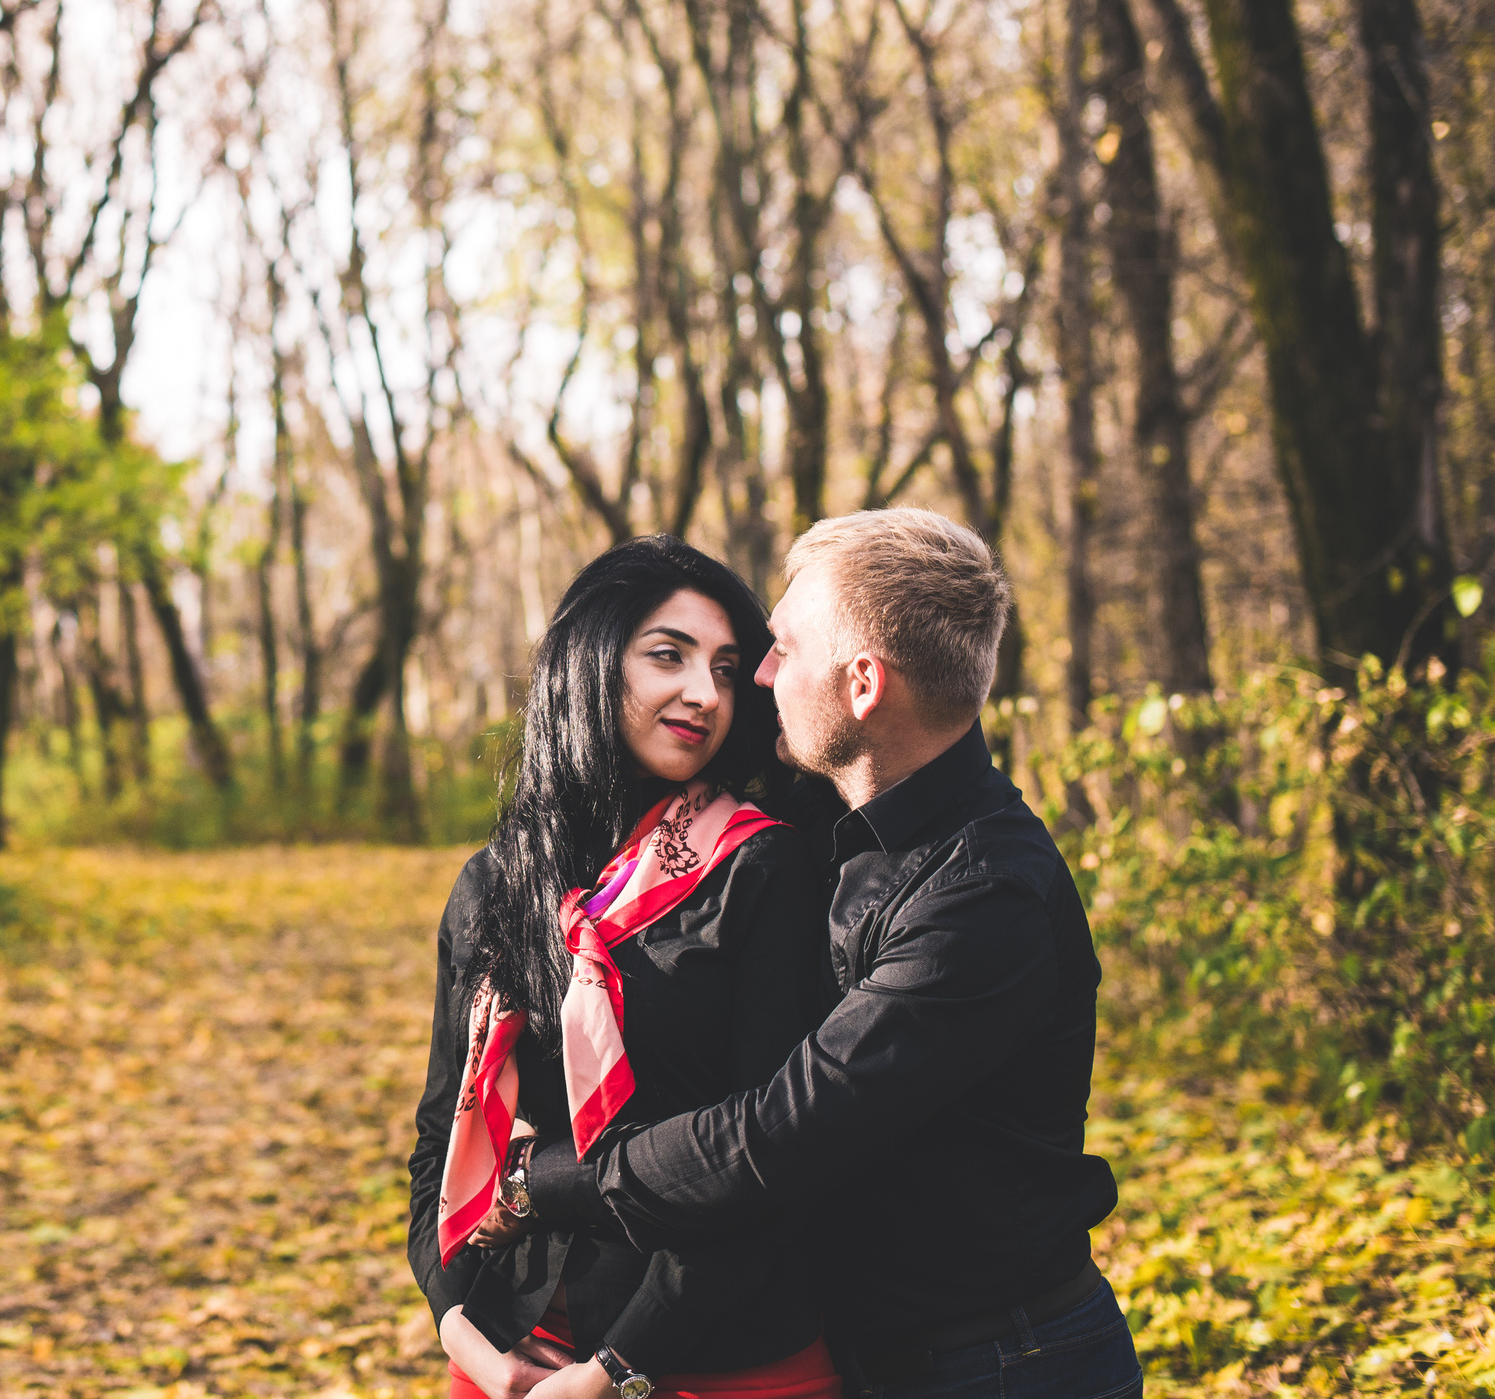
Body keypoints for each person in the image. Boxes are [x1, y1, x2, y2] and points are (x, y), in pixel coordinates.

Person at [517, 510, 1141, 1399]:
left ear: (862, 685)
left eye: (781, 649)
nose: (762, 677)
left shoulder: (984, 895)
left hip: (999, 1364)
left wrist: (550, 1182)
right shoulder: (838, 834)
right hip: (880, 1354)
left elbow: (776, 1135)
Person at [409, 536, 844, 1399]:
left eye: (726, 668)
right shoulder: (498, 883)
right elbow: (439, 1128)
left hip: (718, 1357)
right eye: (667, 655)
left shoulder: (763, 872)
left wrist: (617, 1370)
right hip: (513, 1349)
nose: (703, 693)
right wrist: (456, 1320)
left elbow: (769, 1165)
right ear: (590, 661)